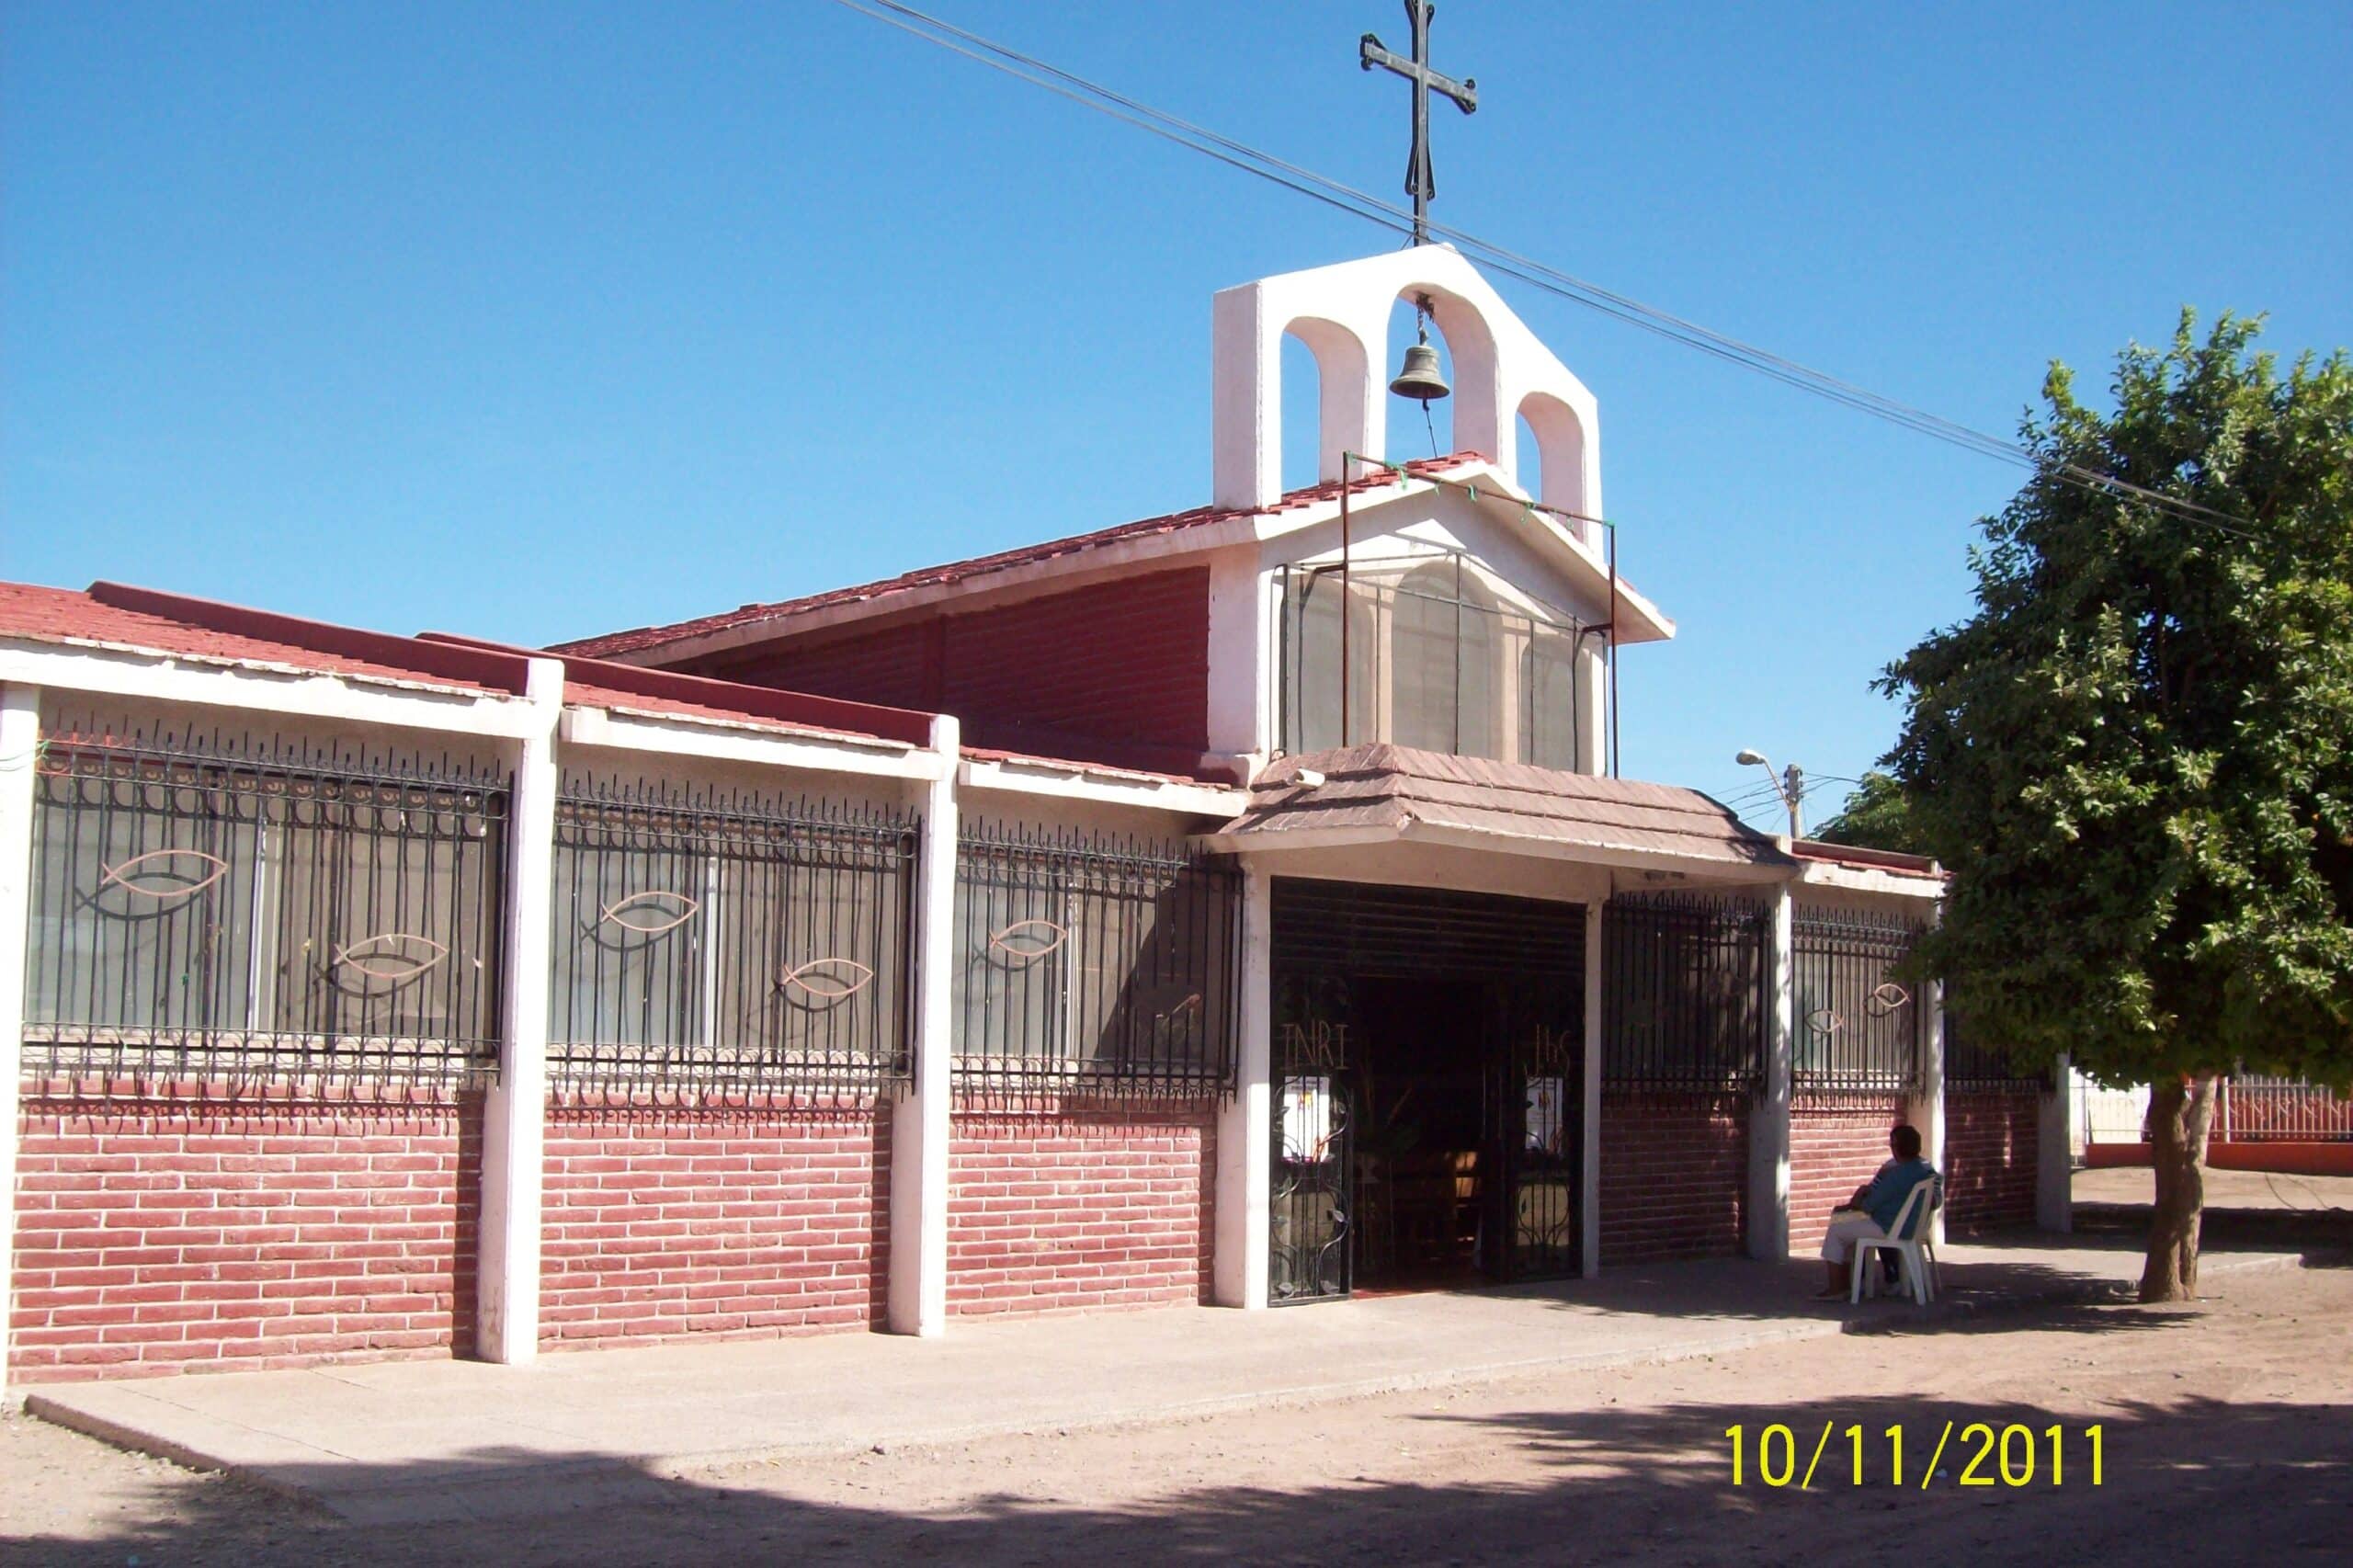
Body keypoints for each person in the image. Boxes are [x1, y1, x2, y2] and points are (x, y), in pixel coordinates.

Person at [1816, 1123, 1938, 1299]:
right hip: (1909, 1227)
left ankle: (1836, 1288)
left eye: (1893, 1144)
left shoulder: (1897, 1174)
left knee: (1837, 1229)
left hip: (1887, 1226)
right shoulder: (1922, 1170)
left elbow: (1867, 1206)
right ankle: (1849, 1284)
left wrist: (1859, 1194)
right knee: (1845, 1228)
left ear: (1898, 1148)